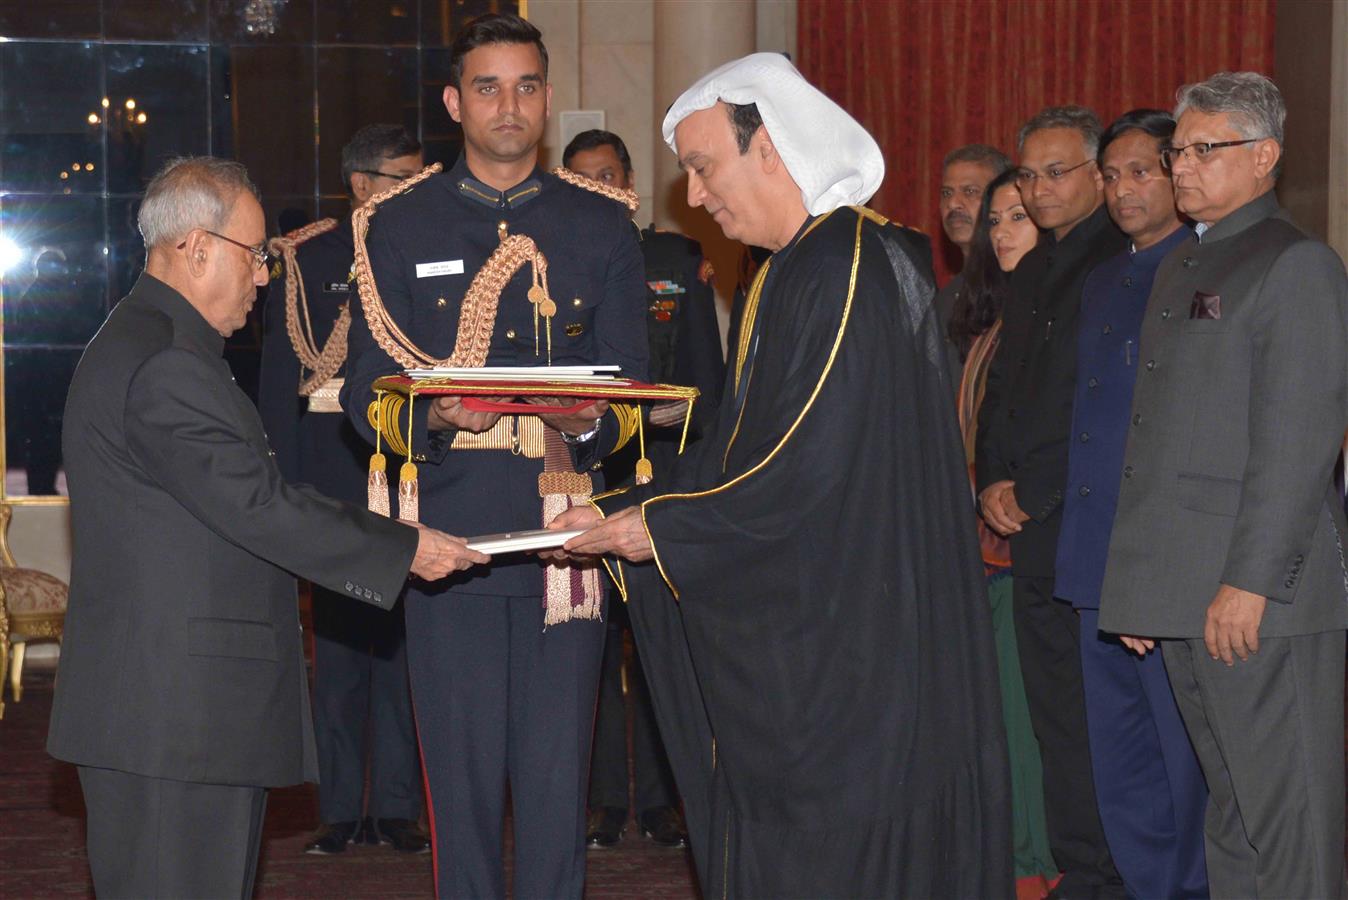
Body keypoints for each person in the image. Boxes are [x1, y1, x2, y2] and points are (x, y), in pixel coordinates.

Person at [551, 52, 1012, 898]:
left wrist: (654, 528)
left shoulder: (847, 265)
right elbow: (738, 448)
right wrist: (618, 506)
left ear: (771, 148)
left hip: (854, 652)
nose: (693, 196)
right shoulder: (797, 265)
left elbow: (801, 466)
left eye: (701, 166)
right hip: (835, 626)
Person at [44, 156, 488, 899]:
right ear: (196, 249)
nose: (263, 277)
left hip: (171, 711)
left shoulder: (153, 341)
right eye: (255, 257)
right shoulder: (165, 363)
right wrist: (403, 548)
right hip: (176, 718)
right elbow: (258, 506)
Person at [339, 14, 648, 899]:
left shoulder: (599, 224)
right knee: (462, 793)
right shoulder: (396, 224)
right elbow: (368, 389)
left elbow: (636, 391)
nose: (508, 106)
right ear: (452, 102)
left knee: (559, 790)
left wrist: (591, 422)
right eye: (487, 87)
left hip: (567, 538)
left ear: (546, 99)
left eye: (525, 86)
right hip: (453, 541)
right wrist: (438, 420)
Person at [1099, 72, 1348, 899]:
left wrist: (1248, 583)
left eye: (1208, 149)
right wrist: (1143, 591)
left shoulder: (1295, 264)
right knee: (1233, 822)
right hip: (1186, 591)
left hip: (1257, 599)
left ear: (1266, 156)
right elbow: (1161, 445)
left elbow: (1298, 445)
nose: (1184, 167)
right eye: (1179, 151)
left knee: (1289, 826)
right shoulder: (1191, 264)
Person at [257, 124, 429, 856]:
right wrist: (285, 489)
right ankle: (335, 805)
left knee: (398, 656)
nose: (420, 187)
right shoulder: (310, 260)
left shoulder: (425, 249)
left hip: (403, 477)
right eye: (405, 176)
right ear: (362, 184)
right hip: (329, 482)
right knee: (336, 660)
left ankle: (394, 807)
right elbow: (277, 381)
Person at [975, 105, 1128, 899]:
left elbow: (1094, 402)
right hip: (1028, 524)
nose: (1037, 190)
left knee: (1099, 717)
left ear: (1097, 175)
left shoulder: (1120, 259)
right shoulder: (1033, 269)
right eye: (1028, 174)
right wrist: (991, 480)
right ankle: (1083, 869)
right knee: (1055, 718)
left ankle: (1111, 868)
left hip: (1084, 524)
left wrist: (1028, 489)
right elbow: (1006, 390)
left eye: (1054, 172)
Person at [1055, 109, 1208, 900]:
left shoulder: (1205, 273)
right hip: (1094, 555)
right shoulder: (1105, 277)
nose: (1123, 190)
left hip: (1164, 566)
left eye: (1141, 171)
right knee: (1118, 757)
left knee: (1180, 757)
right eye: (1111, 175)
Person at [562, 128, 724, 850]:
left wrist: (689, 413)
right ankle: (602, 801)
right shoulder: (551, 261)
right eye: (582, 177)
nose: (597, 186)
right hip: (587, 473)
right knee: (590, 649)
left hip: (664, 472)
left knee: (663, 642)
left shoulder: (674, 259)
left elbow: (705, 370)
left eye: (607, 174)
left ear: (628, 179)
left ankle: (663, 798)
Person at [951, 168, 1058, 898]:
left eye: (1018, 217)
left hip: (1029, 550)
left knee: (1025, 726)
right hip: (981, 552)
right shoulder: (990, 324)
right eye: (996, 221)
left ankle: (1033, 869)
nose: (1001, 232)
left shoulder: (1049, 321)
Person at [937, 143, 1012, 385]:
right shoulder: (944, 298)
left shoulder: (1018, 287)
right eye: (946, 193)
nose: (954, 204)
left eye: (970, 192)